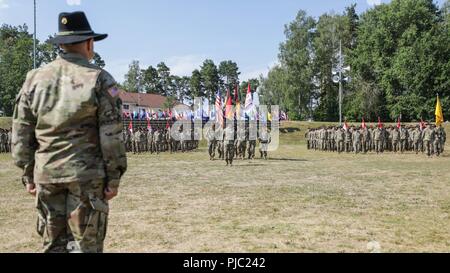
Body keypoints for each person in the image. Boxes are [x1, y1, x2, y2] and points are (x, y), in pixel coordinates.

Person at [11, 11, 127, 253]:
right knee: (85, 247)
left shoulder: (33, 79)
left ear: (61, 44)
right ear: (88, 43)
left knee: (53, 246)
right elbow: (111, 136)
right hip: (86, 177)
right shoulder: (101, 80)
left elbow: (21, 131)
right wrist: (113, 177)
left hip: (47, 175)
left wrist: (28, 173)